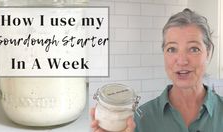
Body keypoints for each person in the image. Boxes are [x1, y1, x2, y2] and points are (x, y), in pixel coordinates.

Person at [91, 8, 223, 132]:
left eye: (194, 49)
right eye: (172, 49)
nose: (182, 61)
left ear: (209, 53)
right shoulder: (137, 120)